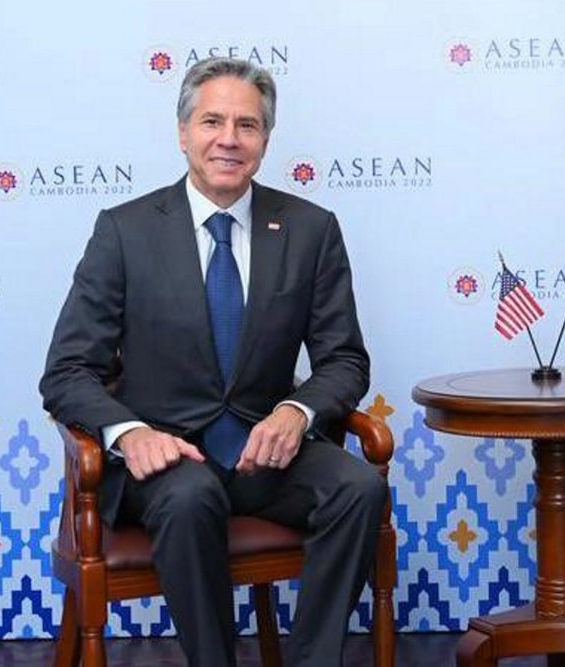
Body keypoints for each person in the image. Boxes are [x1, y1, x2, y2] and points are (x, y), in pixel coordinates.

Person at [40, 57, 385, 667]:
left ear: (265, 140)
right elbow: (67, 371)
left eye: (247, 125)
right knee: (191, 495)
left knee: (359, 487)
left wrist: (297, 411)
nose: (229, 139)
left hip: (269, 456)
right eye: (212, 121)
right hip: (168, 463)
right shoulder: (125, 232)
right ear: (183, 132)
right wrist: (132, 433)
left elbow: (345, 360)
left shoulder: (310, 229)